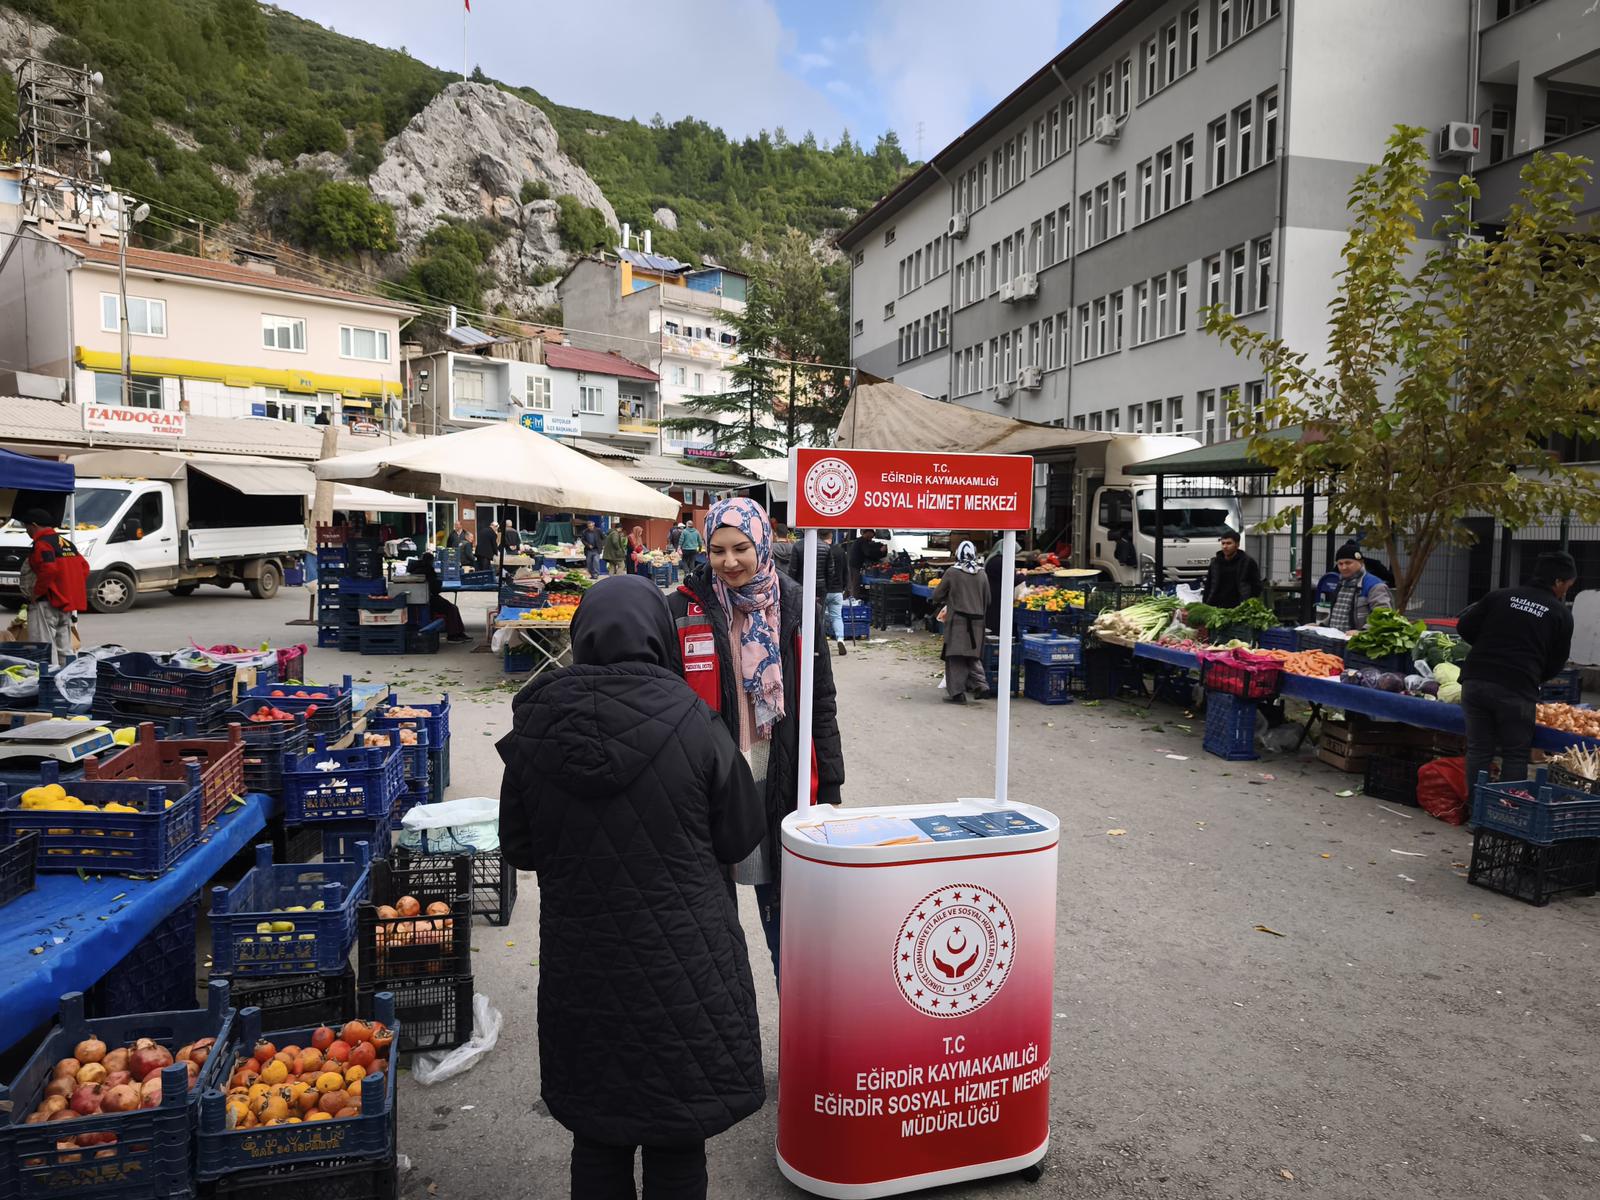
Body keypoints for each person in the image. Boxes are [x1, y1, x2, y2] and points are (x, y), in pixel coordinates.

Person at [498, 575, 766, 1200]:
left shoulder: (536, 726)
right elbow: (739, 836)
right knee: (679, 1138)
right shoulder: (694, 719)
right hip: (685, 969)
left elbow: (520, 848)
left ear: (582, 634)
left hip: (583, 966)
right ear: (660, 636)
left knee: (597, 1136)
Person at [666, 498, 846, 984]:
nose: (729, 562)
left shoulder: (797, 606)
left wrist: (830, 785)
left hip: (780, 782)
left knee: (787, 926)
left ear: (763, 544)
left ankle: (799, 1022)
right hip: (711, 788)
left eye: (741, 548)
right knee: (710, 930)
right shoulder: (682, 608)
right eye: (718, 550)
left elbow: (820, 700)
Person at [1457, 551, 1577, 794]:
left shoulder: (1500, 596)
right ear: (1557, 581)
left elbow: (1465, 627)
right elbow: (1557, 661)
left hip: (1476, 679)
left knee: (1479, 749)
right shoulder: (1560, 613)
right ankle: (1507, 809)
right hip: (1517, 686)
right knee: (1515, 753)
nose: (1567, 590)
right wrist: (1535, 675)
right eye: (1567, 584)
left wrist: (1488, 648)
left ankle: (1476, 809)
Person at [21, 509, 86, 666]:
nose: (26, 531)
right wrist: (67, 588)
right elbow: (84, 568)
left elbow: (49, 569)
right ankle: (67, 677)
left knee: (44, 651)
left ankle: (48, 679)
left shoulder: (42, 544)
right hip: (65, 605)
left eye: (26, 526)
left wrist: (37, 593)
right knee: (65, 650)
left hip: (46, 603)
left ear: (34, 525)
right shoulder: (67, 544)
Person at [931, 540, 991, 704]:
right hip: (978, 622)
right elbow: (988, 599)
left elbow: (937, 595)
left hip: (958, 622)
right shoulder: (982, 574)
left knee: (955, 656)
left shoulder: (952, 572)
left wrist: (949, 599)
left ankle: (957, 693)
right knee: (972, 655)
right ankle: (981, 684)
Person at [789, 529, 849, 656]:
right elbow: (831, 571)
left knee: (806, 617)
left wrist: (794, 586)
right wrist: (829, 587)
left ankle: (807, 644)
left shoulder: (798, 546)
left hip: (804, 587)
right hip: (826, 589)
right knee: (832, 617)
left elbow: (793, 569)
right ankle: (837, 639)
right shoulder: (829, 548)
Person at [1326, 541, 1394, 632]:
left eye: (1348, 563)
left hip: (1360, 640)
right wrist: (1321, 625)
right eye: (1340, 564)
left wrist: (1362, 632)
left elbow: (1383, 616)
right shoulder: (1341, 583)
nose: (1344, 567)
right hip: (1337, 638)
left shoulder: (1375, 585)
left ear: (1361, 562)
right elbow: (1338, 614)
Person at [1202, 531, 1263, 609]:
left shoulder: (1247, 562)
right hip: (1217, 606)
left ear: (1237, 545)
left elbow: (1256, 585)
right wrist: (1205, 604)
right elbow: (1209, 585)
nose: (1225, 546)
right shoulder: (1215, 562)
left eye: (1228, 543)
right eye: (1223, 543)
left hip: (1239, 607)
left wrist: (1248, 603)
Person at [417, 553, 469, 642]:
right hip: (430, 598)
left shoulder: (415, 569)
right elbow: (434, 588)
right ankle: (453, 634)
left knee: (453, 608)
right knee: (452, 609)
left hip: (427, 597)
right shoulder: (428, 570)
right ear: (431, 561)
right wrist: (438, 583)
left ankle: (458, 633)